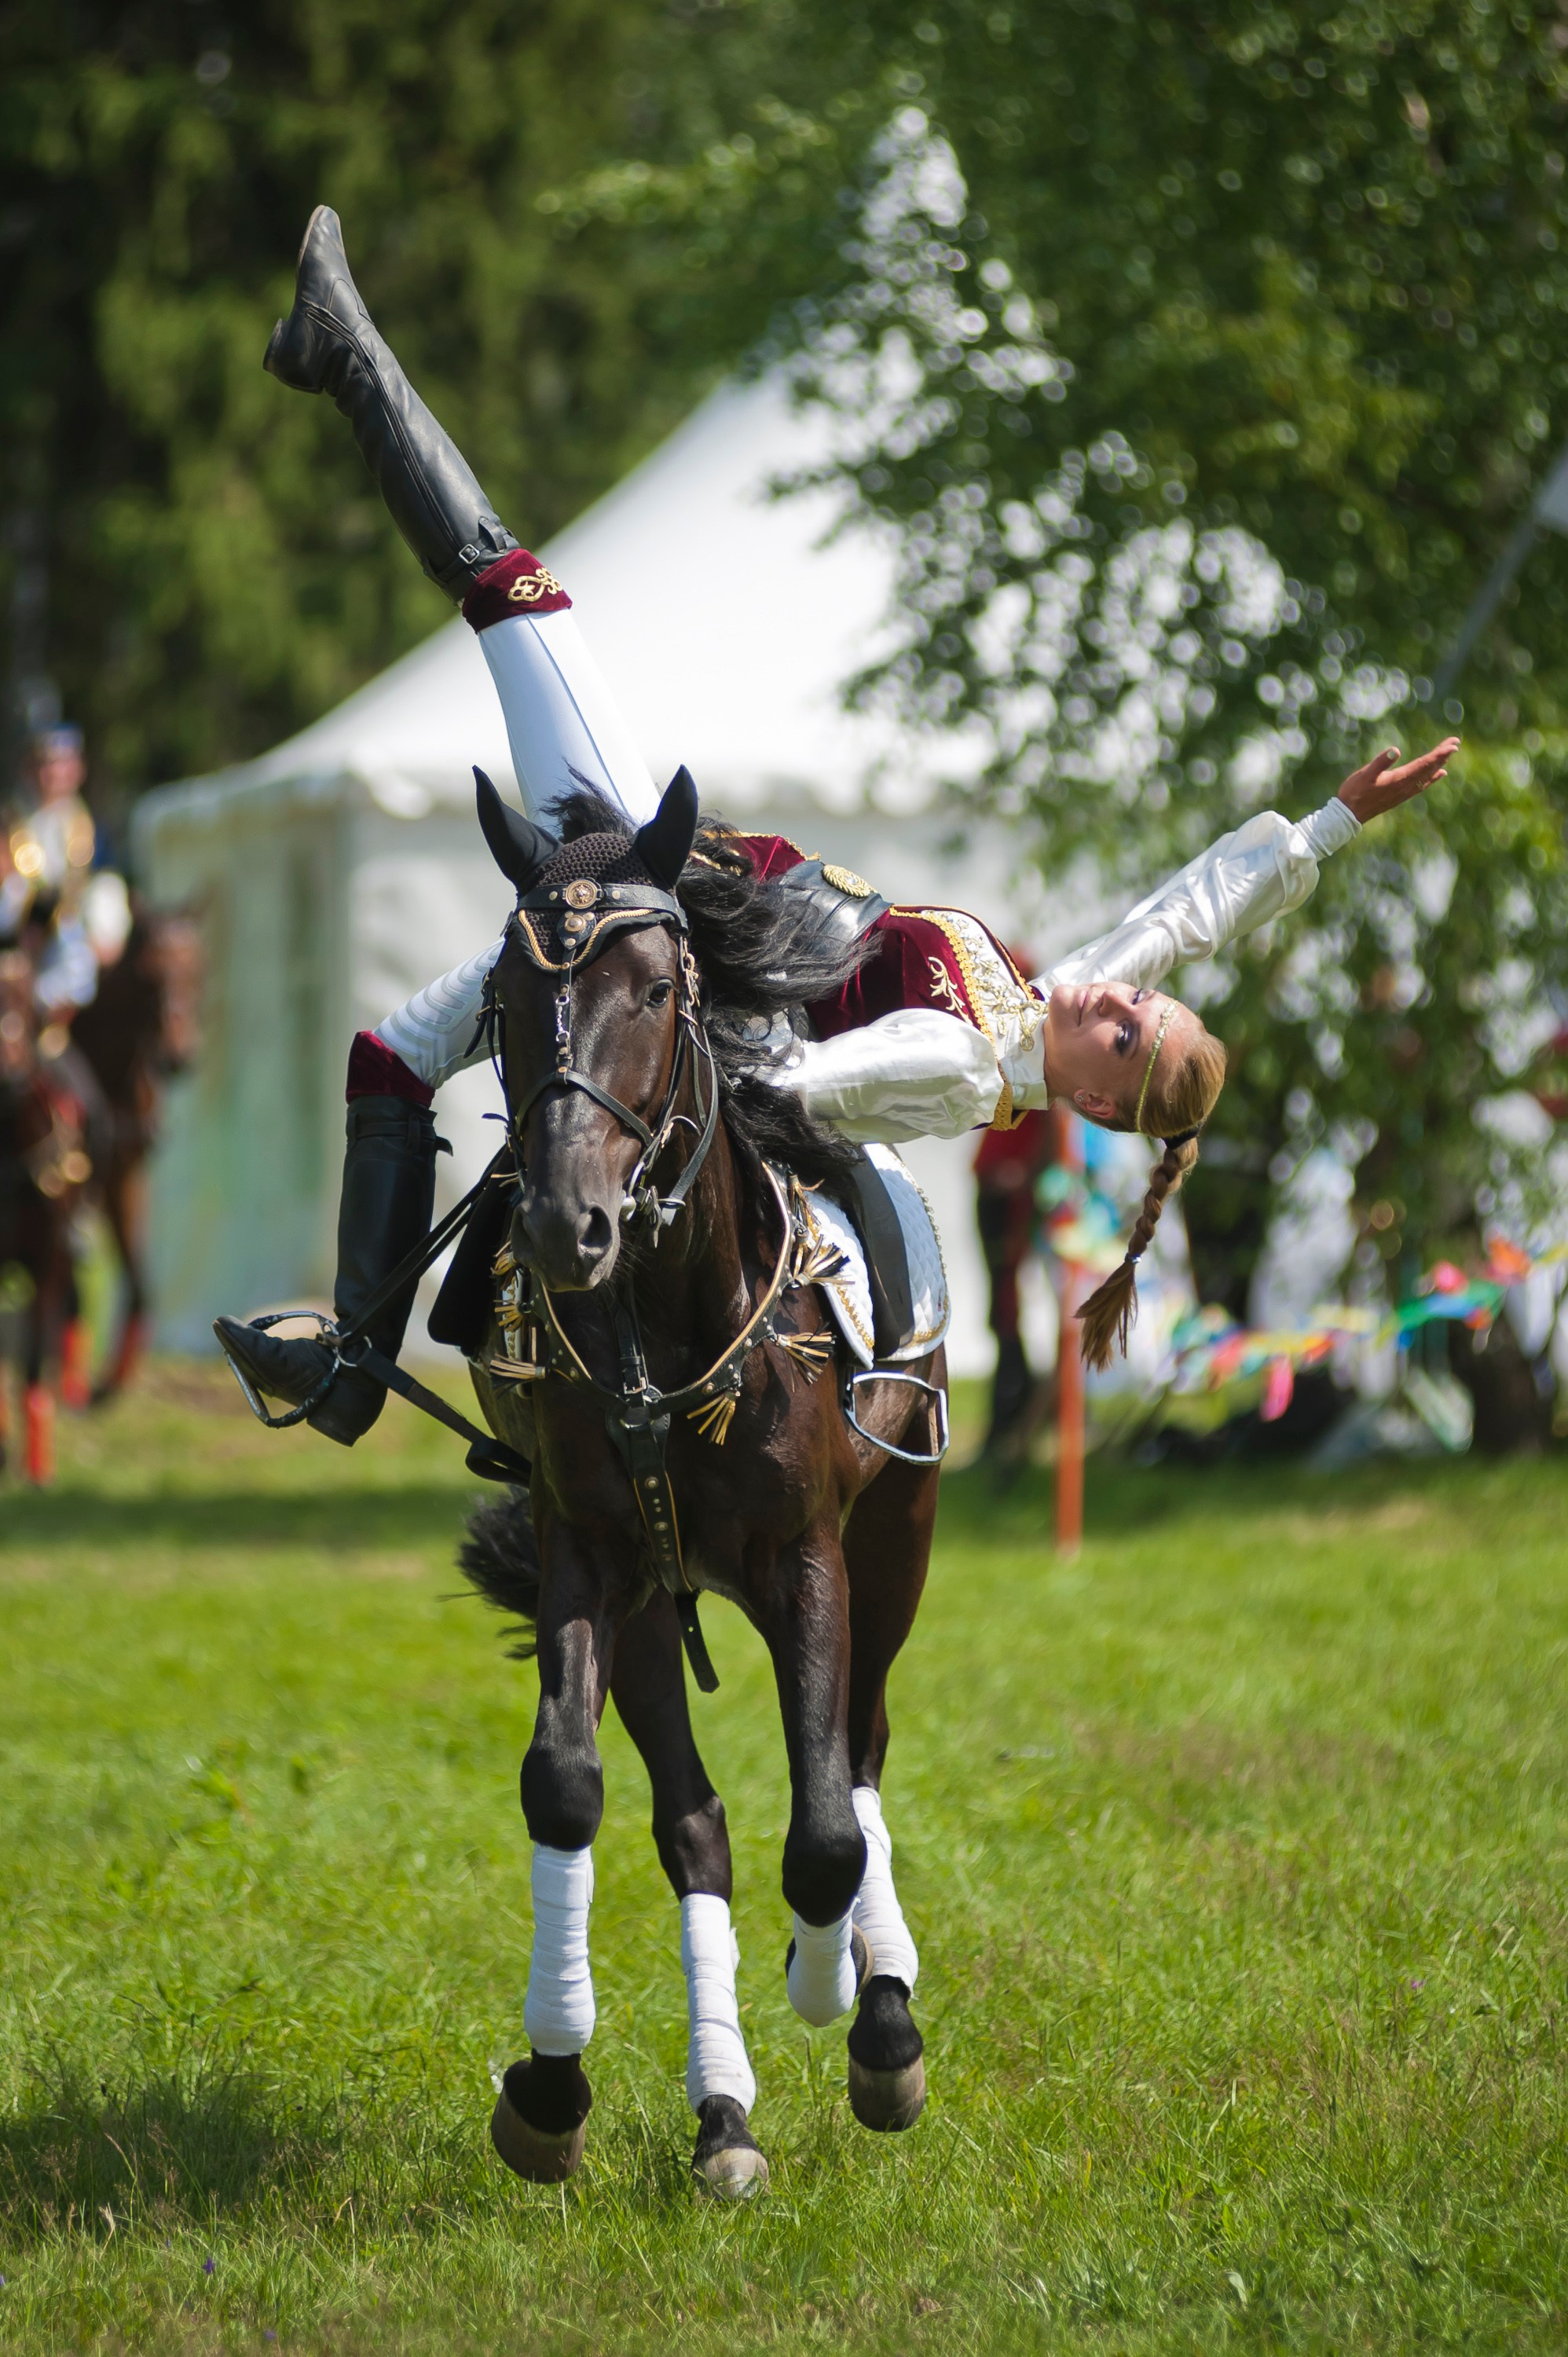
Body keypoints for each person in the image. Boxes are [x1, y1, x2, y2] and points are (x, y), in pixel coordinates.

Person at [220, 206, 1459, 1437]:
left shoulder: (964, 1061)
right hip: (667, 906)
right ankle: (350, 1371)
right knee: (390, 1051)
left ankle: (343, 349)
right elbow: (1187, 914)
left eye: (1130, 1039)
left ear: (1088, 1108)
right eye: (1144, 1004)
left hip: (662, 928)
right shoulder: (1051, 1003)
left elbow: (799, 1086)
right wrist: (1328, 826)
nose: (1122, 1004)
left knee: (524, 607)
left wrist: (642, 982)